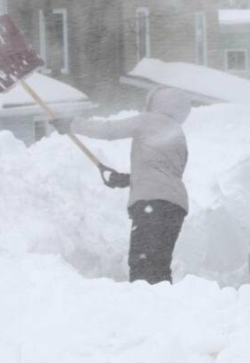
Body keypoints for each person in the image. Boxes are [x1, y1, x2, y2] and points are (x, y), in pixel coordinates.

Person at [71, 87, 191, 285]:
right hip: (175, 208)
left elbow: (108, 129)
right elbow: (163, 173)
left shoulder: (149, 120)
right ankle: (166, 308)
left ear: (157, 103)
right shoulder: (178, 133)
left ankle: (143, 309)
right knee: (160, 265)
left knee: (141, 264)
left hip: (151, 205)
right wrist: (127, 179)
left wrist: (73, 124)